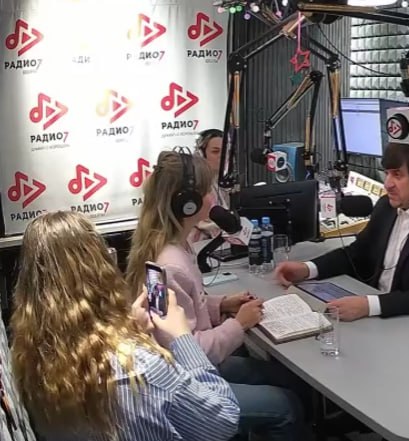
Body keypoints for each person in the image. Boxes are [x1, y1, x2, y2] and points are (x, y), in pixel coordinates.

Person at [10, 211, 240, 441]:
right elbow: (224, 420)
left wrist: (130, 331)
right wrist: (182, 337)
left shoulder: (28, 359)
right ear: (101, 269)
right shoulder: (142, 368)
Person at [126, 149, 304, 441]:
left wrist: (220, 305)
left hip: (186, 368)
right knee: (287, 406)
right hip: (185, 382)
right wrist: (239, 324)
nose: (213, 197)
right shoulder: (170, 264)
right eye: (208, 190)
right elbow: (185, 348)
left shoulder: (171, 246)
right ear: (188, 203)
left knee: (287, 378)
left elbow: (180, 310)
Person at [276, 142, 409, 335]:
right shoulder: (386, 206)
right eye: (387, 173)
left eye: (397, 175)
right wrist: (307, 269)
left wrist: (368, 305)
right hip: (391, 322)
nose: (388, 184)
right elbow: (357, 254)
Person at [192, 128, 231, 240]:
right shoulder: (196, 185)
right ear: (201, 154)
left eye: (225, 151)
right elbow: (202, 223)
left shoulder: (221, 183)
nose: (222, 156)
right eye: (215, 151)